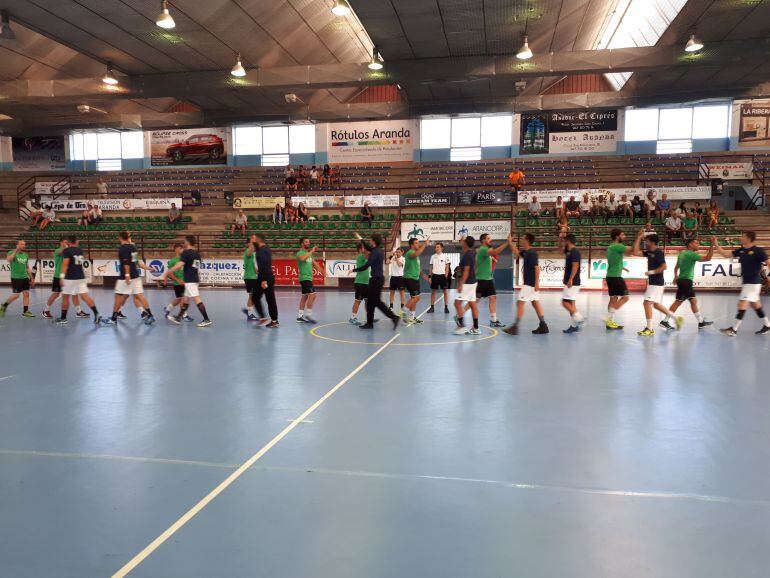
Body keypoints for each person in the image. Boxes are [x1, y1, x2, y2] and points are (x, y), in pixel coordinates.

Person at [714, 231, 770, 336]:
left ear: (749, 238)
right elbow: (726, 254)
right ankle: (767, 325)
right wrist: (716, 243)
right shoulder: (742, 250)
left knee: (742, 304)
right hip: (748, 282)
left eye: (743, 236)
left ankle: (734, 329)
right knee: (755, 305)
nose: (741, 238)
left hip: (753, 283)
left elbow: (768, 263)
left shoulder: (758, 251)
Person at [631, 231, 681, 336]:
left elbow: (664, 267)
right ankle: (676, 318)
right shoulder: (649, 252)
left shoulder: (658, 252)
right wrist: (639, 237)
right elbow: (635, 252)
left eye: (647, 241)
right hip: (655, 283)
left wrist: (651, 272)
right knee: (656, 305)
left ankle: (649, 328)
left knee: (646, 303)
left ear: (653, 242)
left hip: (656, 283)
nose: (645, 243)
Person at [102, 231, 155, 326]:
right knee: (140, 296)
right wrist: (150, 268)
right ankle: (150, 315)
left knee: (118, 297)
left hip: (125, 278)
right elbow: (137, 262)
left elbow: (126, 263)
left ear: (120, 238)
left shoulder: (123, 249)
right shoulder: (133, 248)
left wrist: (127, 275)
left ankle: (114, 319)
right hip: (136, 276)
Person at [352, 232, 400, 330]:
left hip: (376, 280)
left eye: (371, 240)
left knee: (377, 302)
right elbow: (367, 247)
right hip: (376, 279)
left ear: (373, 241)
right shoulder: (377, 250)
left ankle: (394, 317)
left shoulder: (375, 252)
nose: (369, 241)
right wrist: (360, 239)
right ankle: (370, 323)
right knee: (370, 302)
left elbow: (367, 265)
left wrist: (355, 270)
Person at [666, 236, 716, 329]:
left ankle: (700, 322)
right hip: (686, 281)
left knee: (689, 301)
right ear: (690, 244)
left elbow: (676, 267)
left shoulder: (682, 254)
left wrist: (676, 276)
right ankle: (665, 321)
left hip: (682, 280)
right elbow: (708, 258)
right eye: (696, 243)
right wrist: (712, 244)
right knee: (684, 301)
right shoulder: (691, 254)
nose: (698, 245)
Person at [162, 236, 212, 327]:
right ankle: (179, 317)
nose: (184, 243)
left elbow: (179, 265)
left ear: (188, 242)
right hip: (194, 278)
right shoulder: (197, 254)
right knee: (185, 299)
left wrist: (167, 272)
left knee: (197, 299)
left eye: (185, 241)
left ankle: (206, 319)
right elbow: (196, 267)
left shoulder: (186, 252)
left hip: (190, 280)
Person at [503, 233, 548, 335]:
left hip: (530, 284)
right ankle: (543, 326)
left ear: (527, 240)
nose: (521, 240)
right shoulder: (527, 252)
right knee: (535, 303)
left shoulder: (532, 253)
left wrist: (536, 283)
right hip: (530, 284)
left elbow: (537, 268)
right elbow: (517, 253)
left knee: (520, 303)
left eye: (523, 238)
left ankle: (515, 327)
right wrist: (510, 243)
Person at [55, 235, 101, 325]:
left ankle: (63, 318)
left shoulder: (67, 251)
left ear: (69, 241)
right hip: (80, 277)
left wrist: (61, 276)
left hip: (70, 277)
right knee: (85, 296)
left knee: (65, 297)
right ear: (75, 241)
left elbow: (65, 265)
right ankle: (96, 313)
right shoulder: (79, 251)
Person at [469, 233, 511, 328]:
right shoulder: (483, 249)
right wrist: (507, 243)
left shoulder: (486, 249)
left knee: (493, 298)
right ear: (483, 240)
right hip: (482, 280)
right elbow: (495, 252)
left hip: (488, 279)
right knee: (474, 301)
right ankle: (460, 315)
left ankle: (494, 321)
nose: (490, 240)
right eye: (488, 238)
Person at [43, 238, 88, 320]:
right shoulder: (58, 251)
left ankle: (79, 311)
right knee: (55, 294)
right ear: (60, 243)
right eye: (64, 242)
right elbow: (61, 252)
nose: (66, 243)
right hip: (58, 276)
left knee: (75, 294)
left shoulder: (69, 251)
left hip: (68, 277)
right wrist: (67, 247)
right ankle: (46, 310)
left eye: (67, 242)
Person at [604, 228, 633, 330]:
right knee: (625, 297)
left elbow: (612, 261)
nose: (624, 237)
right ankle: (608, 318)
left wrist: (622, 267)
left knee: (613, 298)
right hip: (616, 277)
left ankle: (610, 322)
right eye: (623, 235)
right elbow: (631, 250)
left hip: (610, 276)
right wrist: (638, 238)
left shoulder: (610, 247)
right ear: (617, 237)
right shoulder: (618, 246)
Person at [0, 240, 35, 318]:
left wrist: (31, 278)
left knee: (26, 294)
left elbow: (27, 267)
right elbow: (9, 260)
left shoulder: (25, 255)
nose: (23, 245)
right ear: (17, 245)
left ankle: (25, 312)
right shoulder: (10, 252)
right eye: (22, 244)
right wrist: (16, 250)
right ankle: (4, 306)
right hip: (16, 278)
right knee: (16, 295)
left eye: (24, 244)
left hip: (25, 277)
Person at [453, 236, 480, 336]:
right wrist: (463, 241)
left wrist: (460, 284)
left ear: (466, 243)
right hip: (473, 282)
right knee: (473, 304)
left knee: (457, 303)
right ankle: (476, 328)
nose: (461, 242)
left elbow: (467, 271)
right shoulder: (470, 252)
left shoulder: (468, 255)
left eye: (463, 241)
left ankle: (462, 326)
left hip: (467, 283)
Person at [252, 234, 279, 328]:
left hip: (265, 277)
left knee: (268, 299)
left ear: (259, 240)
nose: (252, 240)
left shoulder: (263, 251)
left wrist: (264, 280)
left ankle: (272, 320)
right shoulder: (263, 249)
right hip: (265, 276)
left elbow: (264, 264)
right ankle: (271, 319)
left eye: (254, 239)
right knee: (261, 297)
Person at [402, 237, 430, 324]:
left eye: (418, 243)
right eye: (416, 243)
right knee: (417, 297)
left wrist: (423, 274)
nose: (418, 244)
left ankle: (411, 318)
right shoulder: (410, 253)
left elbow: (417, 266)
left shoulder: (415, 255)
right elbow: (417, 254)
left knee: (413, 298)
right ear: (412, 245)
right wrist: (425, 244)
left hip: (415, 278)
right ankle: (402, 312)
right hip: (410, 278)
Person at [295, 237, 324, 324]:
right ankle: (308, 315)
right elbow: (303, 259)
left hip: (308, 278)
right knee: (313, 295)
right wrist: (312, 251)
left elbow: (315, 265)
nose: (308, 243)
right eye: (306, 242)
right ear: (302, 244)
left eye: (309, 242)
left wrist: (323, 272)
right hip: (304, 278)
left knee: (305, 296)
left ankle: (300, 316)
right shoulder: (299, 253)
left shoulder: (309, 254)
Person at [561, 234, 585, 334]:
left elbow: (575, 266)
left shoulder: (574, 252)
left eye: (565, 241)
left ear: (569, 241)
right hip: (571, 282)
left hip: (573, 282)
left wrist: (570, 279)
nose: (564, 242)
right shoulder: (569, 252)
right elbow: (561, 249)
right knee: (571, 304)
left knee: (564, 302)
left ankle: (579, 318)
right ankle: (574, 325)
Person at [163, 242, 190, 322]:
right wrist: (178, 280)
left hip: (185, 282)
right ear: (176, 250)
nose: (181, 250)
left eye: (182, 248)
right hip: (178, 283)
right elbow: (169, 274)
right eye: (179, 248)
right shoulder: (173, 261)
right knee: (182, 299)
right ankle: (184, 315)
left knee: (179, 299)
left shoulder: (184, 259)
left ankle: (168, 309)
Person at [427, 242, 450, 314]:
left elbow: (447, 267)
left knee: (445, 292)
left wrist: (445, 275)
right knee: (433, 292)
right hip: (435, 276)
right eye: (435, 247)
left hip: (442, 276)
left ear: (441, 248)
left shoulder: (445, 256)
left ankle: (446, 307)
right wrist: (430, 277)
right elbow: (430, 267)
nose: (436, 248)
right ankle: (432, 307)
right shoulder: (433, 256)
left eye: (438, 247)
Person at [350, 242, 370, 325]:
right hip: (360, 283)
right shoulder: (360, 257)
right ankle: (353, 318)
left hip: (366, 283)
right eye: (362, 248)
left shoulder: (366, 256)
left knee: (367, 301)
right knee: (358, 301)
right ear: (359, 249)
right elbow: (361, 268)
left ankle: (369, 317)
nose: (364, 249)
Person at [240, 235, 258, 321]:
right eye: (251, 244)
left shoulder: (253, 254)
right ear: (248, 244)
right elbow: (250, 251)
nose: (253, 245)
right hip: (249, 277)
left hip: (253, 277)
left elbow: (253, 265)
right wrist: (252, 242)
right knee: (252, 296)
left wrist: (258, 272)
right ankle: (249, 313)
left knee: (252, 296)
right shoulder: (247, 251)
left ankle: (249, 312)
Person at [386, 247, 406, 313]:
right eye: (396, 252)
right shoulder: (393, 258)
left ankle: (402, 307)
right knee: (392, 293)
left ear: (402, 252)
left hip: (400, 278)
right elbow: (387, 262)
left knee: (402, 294)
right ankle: (391, 306)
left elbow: (399, 264)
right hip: (393, 278)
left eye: (399, 252)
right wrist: (391, 255)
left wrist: (396, 258)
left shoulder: (403, 259)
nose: (397, 253)